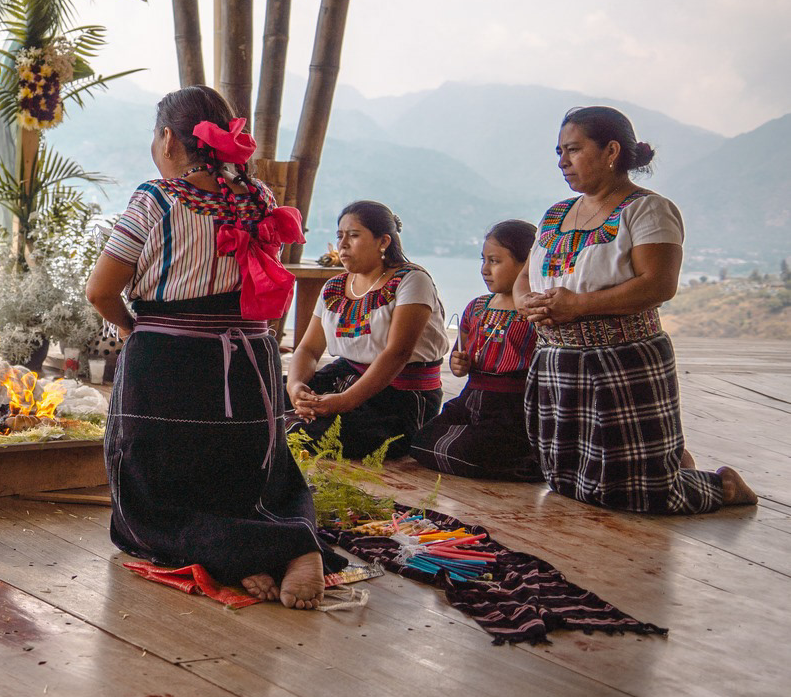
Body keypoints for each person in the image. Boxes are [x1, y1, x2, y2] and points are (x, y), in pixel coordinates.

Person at [86, 86, 345, 610]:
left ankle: (237, 553)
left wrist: (134, 329)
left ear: (167, 139)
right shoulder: (258, 198)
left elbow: (100, 291)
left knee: (151, 502)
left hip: (171, 362)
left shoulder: (156, 198)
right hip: (251, 361)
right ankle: (287, 544)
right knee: (251, 479)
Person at [518, 106, 755, 513]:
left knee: (635, 494)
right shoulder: (556, 214)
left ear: (611, 151)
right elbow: (525, 277)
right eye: (559, 152)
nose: (562, 162)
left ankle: (725, 487)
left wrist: (578, 305)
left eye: (573, 150)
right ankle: (672, 463)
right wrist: (527, 303)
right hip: (557, 361)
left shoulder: (647, 210)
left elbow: (658, 284)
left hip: (622, 361)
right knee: (567, 482)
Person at [287, 201, 450, 460]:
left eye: (353, 235)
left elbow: (397, 353)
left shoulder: (411, 281)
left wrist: (344, 402)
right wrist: (296, 387)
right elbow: (308, 349)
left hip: (399, 396)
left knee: (313, 433)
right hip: (344, 378)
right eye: (340, 235)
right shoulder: (334, 287)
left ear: (383, 241)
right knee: (263, 399)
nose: (342, 244)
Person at [410, 220, 543, 480]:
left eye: (495, 261)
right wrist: (460, 363)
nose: (485, 269)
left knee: (470, 449)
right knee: (420, 441)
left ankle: (523, 458)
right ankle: (490, 453)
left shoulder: (535, 311)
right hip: (471, 398)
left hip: (511, 407)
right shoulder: (477, 307)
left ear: (527, 264)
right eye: (483, 260)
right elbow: (461, 355)